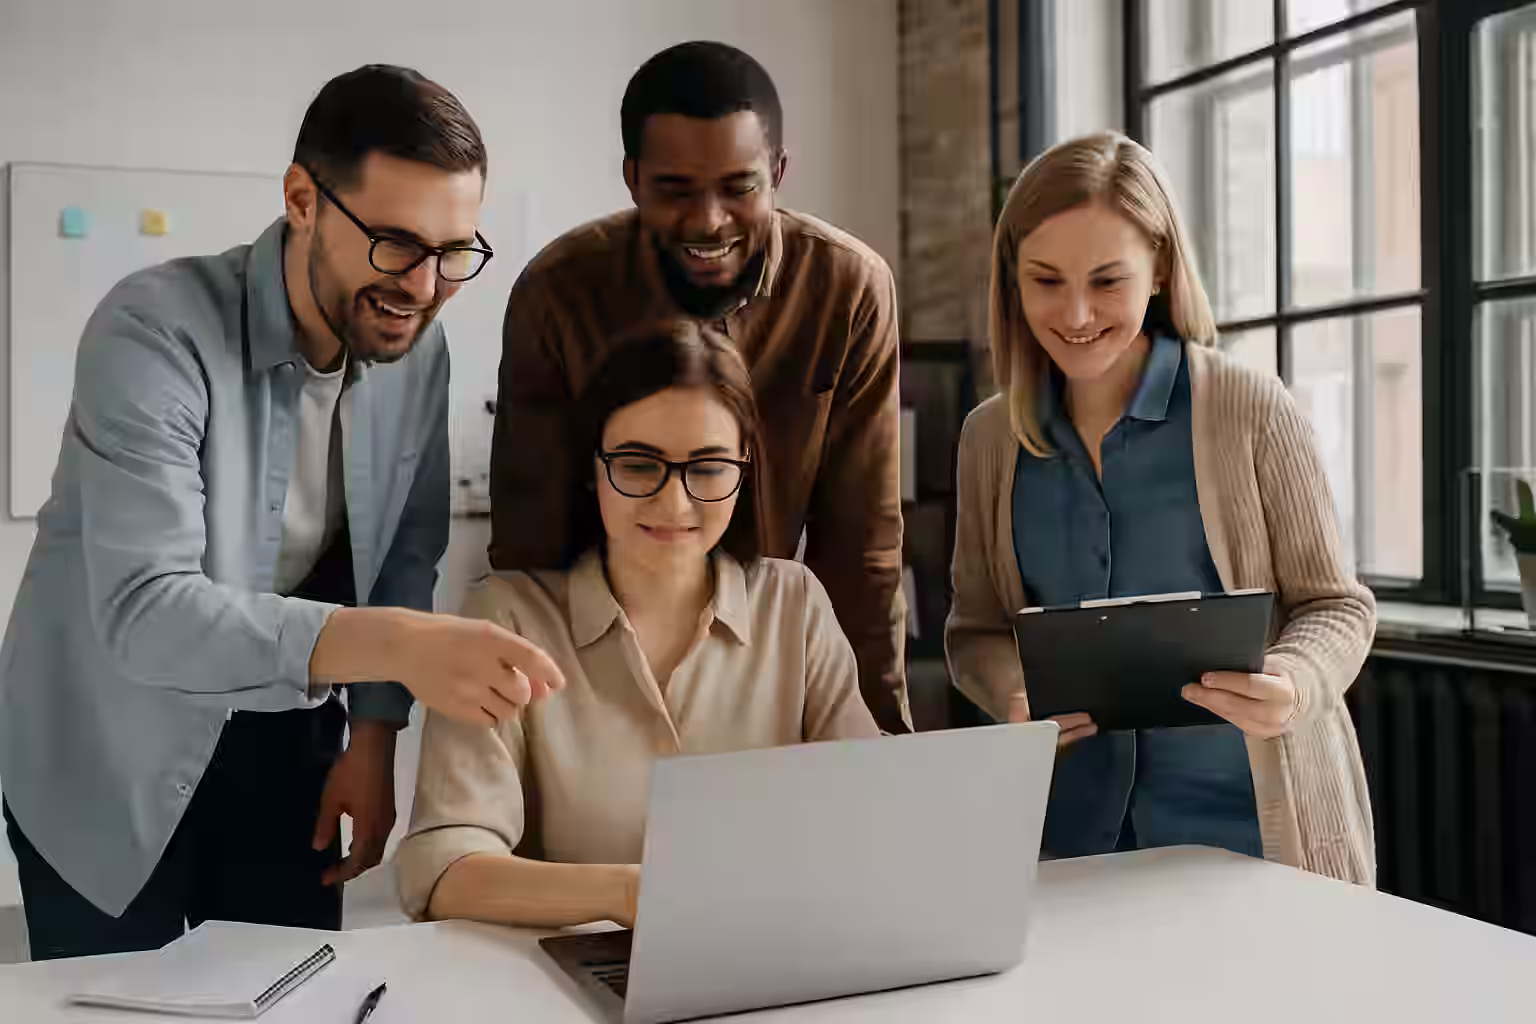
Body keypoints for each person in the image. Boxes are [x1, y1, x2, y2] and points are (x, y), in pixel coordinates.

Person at [0, 65, 563, 961]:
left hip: (285, 736)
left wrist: (375, 732)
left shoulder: (419, 346)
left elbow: (405, 550)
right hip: (106, 741)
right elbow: (147, 612)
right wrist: (403, 650)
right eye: (394, 242)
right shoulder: (154, 331)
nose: (423, 285)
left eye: (453, 251)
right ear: (303, 198)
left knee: (291, 990)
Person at [946, 132, 1376, 884]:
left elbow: (1338, 606)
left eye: (1107, 280)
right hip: (1065, 843)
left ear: (1160, 271)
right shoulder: (989, 439)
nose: (1075, 312)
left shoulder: (1250, 409)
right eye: (1045, 280)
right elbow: (975, 629)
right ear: (1011, 281)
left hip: (1250, 837)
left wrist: (1293, 683)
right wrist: (1011, 694)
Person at [397, 323, 880, 928]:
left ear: (745, 468)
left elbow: (868, 816)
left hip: (771, 958)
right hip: (562, 984)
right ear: (591, 466)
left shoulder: (796, 604)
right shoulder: (509, 618)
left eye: (706, 468)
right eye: (637, 463)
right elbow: (443, 868)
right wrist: (628, 894)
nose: (673, 504)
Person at [490, 41, 910, 734]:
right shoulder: (558, 291)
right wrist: (534, 733)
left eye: (739, 188)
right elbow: (528, 546)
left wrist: (885, 742)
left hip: (775, 659)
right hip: (598, 661)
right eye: (675, 189)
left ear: (777, 173)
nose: (709, 220)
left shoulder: (849, 289)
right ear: (632, 178)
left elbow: (863, 549)